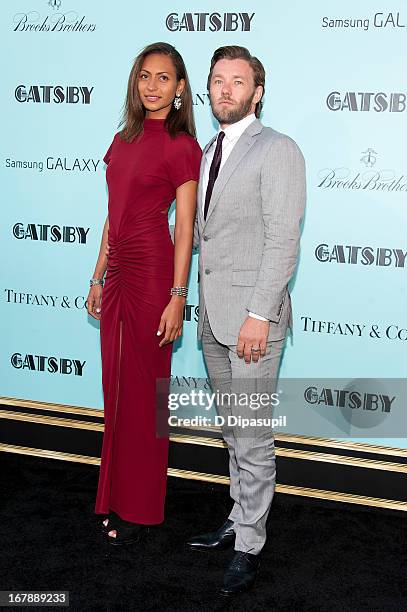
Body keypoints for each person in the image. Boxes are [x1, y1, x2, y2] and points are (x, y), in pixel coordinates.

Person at [187, 46, 306, 596]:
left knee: (253, 436)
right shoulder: (208, 149)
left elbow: (283, 240)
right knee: (234, 432)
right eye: (217, 81)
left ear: (258, 92)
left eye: (238, 81)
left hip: (252, 322)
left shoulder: (277, 149)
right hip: (214, 317)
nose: (225, 90)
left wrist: (259, 314)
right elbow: (207, 236)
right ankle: (238, 517)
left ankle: (250, 544)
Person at [87, 42, 201, 545]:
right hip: (119, 274)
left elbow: (185, 230)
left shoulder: (182, 146)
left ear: (180, 89)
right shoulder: (122, 139)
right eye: (145, 77)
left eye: (164, 78)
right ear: (137, 83)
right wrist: (97, 274)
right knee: (116, 390)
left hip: (155, 273)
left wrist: (178, 295)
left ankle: (141, 508)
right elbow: (114, 212)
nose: (153, 86)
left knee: (144, 393)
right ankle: (113, 496)